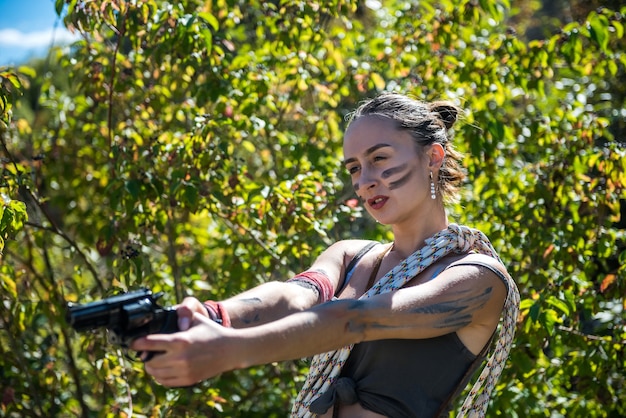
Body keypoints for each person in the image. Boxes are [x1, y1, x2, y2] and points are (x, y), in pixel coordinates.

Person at [132, 92, 520, 418]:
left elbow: (355, 320)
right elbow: (294, 297)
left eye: (379, 158)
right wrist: (212, 316)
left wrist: (227, 350)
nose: (364, 180)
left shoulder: (478, 278)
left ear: (433, 157)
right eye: (354, 167)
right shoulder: (352, 257)